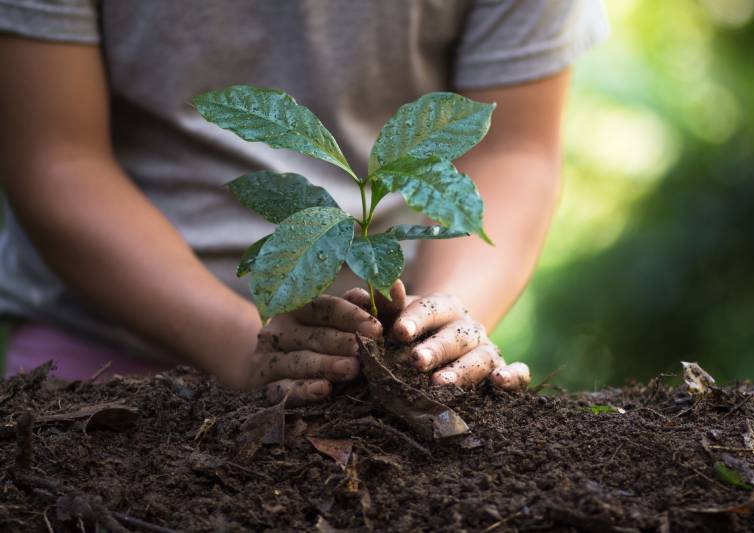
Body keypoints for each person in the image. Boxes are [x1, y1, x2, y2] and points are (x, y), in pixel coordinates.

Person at [0, 1, 608, 404]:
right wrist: (242, 342)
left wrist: (440, 326)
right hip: (102, 359)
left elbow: (511, 148)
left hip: (365, 361)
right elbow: (56, 158)